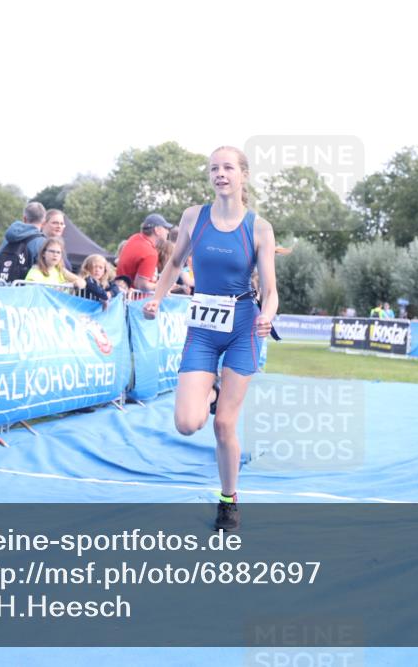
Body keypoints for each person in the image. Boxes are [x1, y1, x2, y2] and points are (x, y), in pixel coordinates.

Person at [143, 146, 278, 532]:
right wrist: (156, 298)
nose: (221, 174)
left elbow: (270, 291)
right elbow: (173, 263)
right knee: (187, 423)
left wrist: (267, 316)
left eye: (228, 168)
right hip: (203, 328)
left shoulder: (259, 228)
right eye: (215, 168)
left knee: (223, 426)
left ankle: (228, 498)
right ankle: (212, 392)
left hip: (242, 328)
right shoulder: (193, 217)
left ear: (243, 175)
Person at [115, 213, 173, 291]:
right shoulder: (150, 253)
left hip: (123, 296)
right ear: (157, 230)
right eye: (165, 228)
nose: (167, 231)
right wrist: (163, 287)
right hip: (137, 301)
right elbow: (141, 285)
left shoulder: (134, 238)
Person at [0, 202, 47, 283]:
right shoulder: (42, 242)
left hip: (1, 287)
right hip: (24, 291)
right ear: (43, 222)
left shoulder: (8, 237)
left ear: (24, 219)